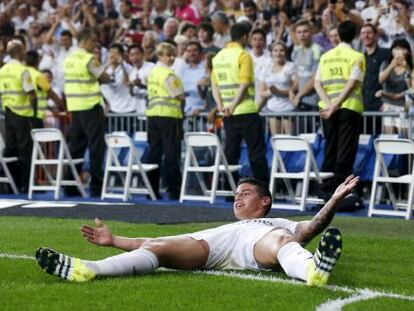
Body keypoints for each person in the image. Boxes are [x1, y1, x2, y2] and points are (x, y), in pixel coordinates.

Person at [35, 175, 360, 286]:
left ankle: (311, 269)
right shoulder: (223, 226)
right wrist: (114, 240)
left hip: (259, 245)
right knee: (160, 246)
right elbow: (150, 240)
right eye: (235, 194)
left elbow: (312, 227)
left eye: (244, 193)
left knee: (283, 241)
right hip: (215, 247)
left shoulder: (278, 224)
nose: (237, 198)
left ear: (265, 201)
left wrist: (332, 200)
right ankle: (89, 269)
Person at [212, 23, 269, 185]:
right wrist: (233, 105)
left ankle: (231, 191)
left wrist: (221, 106)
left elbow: (214, 86)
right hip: (246, 110)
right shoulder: (243, 55)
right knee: (256, 152)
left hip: (227, 114)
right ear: (244, 37)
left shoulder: (218, 57)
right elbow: (244, 84)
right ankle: (263, 189)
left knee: (231, 153)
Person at [314, 20, 365, 199]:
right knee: (345, 150)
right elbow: (352, 83)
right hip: (348, 108)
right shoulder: (357, 56)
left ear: (339, 35)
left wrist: (329, 105)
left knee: (330, 148)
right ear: (355, 35)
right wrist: (336, 106)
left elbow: (317, 83)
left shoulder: (326, 56)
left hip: (327, 110)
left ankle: (325, 189)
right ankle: (342, 191)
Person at [63, 27, 112, 197]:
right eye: (92, 41)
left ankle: (69, 185)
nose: (95, 44)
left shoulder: (68, 59)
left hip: (75, 108)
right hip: (91, 106)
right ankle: (96, 188)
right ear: (84, 42)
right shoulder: (88, 59)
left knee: (76, 147)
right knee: (96, 147)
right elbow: (104, 77)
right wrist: (108, 73)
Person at [145, 42, 185, 200]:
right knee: (171, 154)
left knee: (154, 154)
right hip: (169, 116)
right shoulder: (168, 73)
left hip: (153, 116)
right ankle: (174, 190)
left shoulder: (153, 72)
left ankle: (151, 190)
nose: (172, 58)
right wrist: (183, 94)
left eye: (173, 55)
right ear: (160, 55)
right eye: (169, 55)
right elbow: (178, 94)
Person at [0, 40, 37, 193]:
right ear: (20, 52)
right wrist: (33, 112)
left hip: (8, 114)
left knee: (10, 150)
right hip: (22, 115)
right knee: (25, 152)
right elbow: (31, 94)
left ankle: (11, 185)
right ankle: (27, 185)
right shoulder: (23, 70)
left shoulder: (2, 70)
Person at [258, 41, 297, 135]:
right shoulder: (265, 68)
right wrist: (271, 92)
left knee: (289, 139)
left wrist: (279, 92)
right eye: (275, 50)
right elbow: (262, 92)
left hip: (288, 107)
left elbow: (295, 88)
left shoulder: (291, 66)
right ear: (271, 52)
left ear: (286, 52)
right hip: (272, 108)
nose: (278, 53)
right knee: (276, 139)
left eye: (281, 50)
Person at [376, 38, 413, 138]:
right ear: (392, 51)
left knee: (405, 139)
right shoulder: (386, 64)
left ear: (408, 52)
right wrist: (391, 66)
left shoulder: (410, 67)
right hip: (388, 106)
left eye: (402, 48)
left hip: (404, 107)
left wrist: (407, 69)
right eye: (396, 48)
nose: (399, 51)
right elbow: (381, 80)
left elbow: (411, 88)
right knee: (390, 138)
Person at [359, 23, 389, 135]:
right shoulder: (360, 58)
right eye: (363, 33)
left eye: (369, 33)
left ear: (376, 36)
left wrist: (387, 100)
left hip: (381, 106)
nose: (366, 36)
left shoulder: (386, 53)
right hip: (364, 107)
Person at [25, 50, 63, 129]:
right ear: (38, 60)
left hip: (24, 113)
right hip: (37, 115)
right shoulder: (38, 76)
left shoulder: (22, 73)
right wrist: (62, 105)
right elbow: (51, 93)